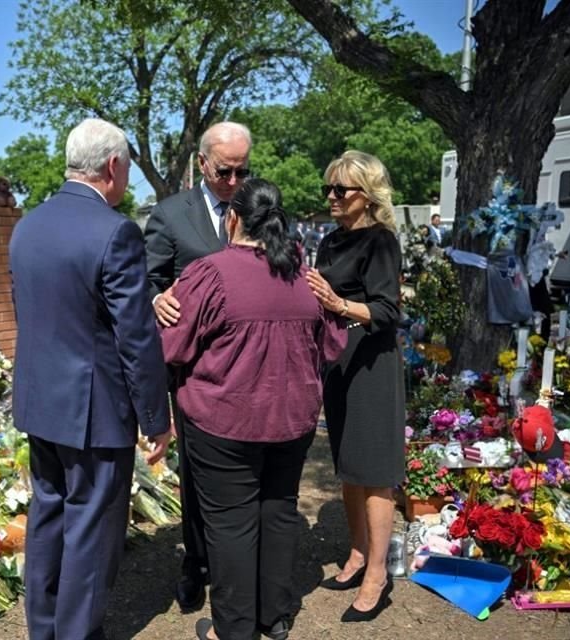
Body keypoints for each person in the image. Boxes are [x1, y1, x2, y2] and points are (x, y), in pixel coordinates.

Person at [9, 118, 172, 640]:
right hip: (94, 410)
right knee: (92, 531)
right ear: (113, 167)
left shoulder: (27, 224)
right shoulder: (116, 230)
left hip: (42, 401)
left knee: (49, 516)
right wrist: (156, 417)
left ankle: (45, 629)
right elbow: (136, 335)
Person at [162, 179, 346, 640]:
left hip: (225, 421)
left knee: (231, 523)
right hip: (292, 418)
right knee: (278, 511)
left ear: (232, 218)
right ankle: (274, 616)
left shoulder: (210, 273)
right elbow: (333, 342)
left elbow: (174, 345)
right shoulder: (304, 275)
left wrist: (160, 306)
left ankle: (235, 627)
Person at [143, 121, 252, 611]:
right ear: (203, 164)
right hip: (196, 369)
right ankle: (197, 563)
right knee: (197, 471)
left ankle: (243, 567)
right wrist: (155, 298)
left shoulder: (258, 207)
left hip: (251, 364)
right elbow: (147, 279)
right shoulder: (169, 215)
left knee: (247, 469)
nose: (232, 181)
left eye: (242, 171)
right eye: (225, 171)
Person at [305, 150, 405, 623]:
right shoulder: (328, 241)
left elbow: (386, 311)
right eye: (328, 188)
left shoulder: (381, 241)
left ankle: (377, 574)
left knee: (375, 473)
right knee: (349, 467)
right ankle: (358, 553)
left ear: (366, 195)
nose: (331, 196)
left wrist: (338, 303)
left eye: (340, 190)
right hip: (337, 364)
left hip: (372, 366)